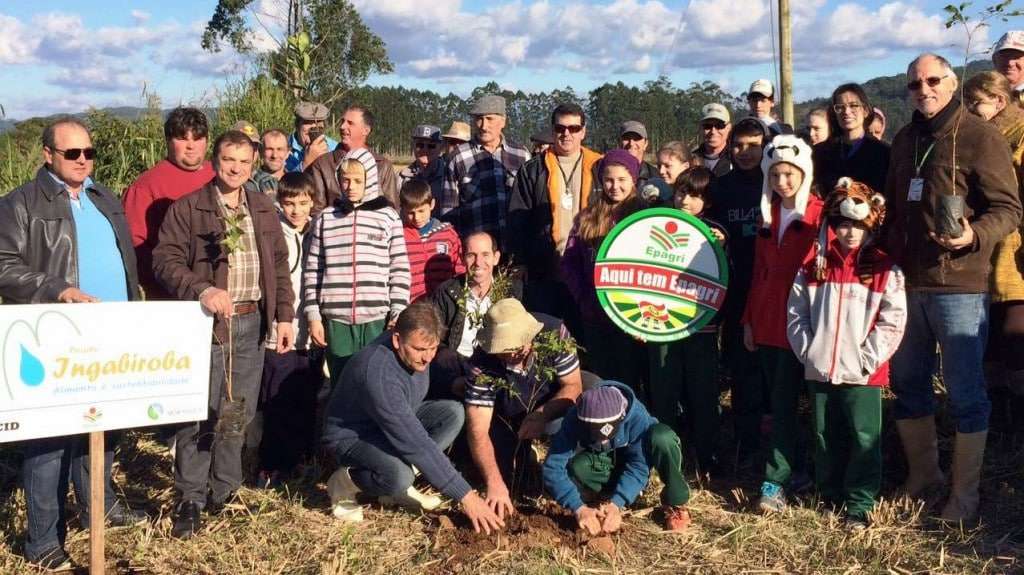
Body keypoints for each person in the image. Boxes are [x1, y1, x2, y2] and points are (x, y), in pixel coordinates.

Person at [0, 118, 145, 570]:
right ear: (48, 155)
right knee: (52, 441)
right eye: (72, 154)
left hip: (110, 336)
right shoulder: (19, 204)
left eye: (89, 153)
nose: (84, 161)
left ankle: (97, 507)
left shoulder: (105, 198)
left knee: (102, 427)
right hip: (58, 337)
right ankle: (42, 541)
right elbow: (3, 265)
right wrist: (56, 288)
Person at [886, 53, 1021, 523]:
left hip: (960, 285)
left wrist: (973, 235)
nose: (924, 89)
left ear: (952, 82)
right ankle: (924, 478)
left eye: (933, 80)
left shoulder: (981, 137)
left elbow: (1008, 208)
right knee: (907, 385)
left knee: (966, 392)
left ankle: (964, 496)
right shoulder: (904, 140)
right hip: (905, 284)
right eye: (914, 83)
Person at [152, 130, 295, 539]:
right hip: (207, 325)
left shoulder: (263, 208)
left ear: (253, 166)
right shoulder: (190, 208)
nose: (237, 168)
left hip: (251, 323)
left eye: (244, 162)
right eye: (229, 160)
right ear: (216, 161)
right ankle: (190, 497)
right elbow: (164, 259)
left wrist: (283, 316)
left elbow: (280, 267)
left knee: (237, 410)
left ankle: (225, 490)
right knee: (201, 411)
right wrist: (203, 289)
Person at [322, 301, 505, 534]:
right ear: (396, 339)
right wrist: (466, 496)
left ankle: (397, 486)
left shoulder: (417, 351)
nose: (427, 358)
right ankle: (344, 483)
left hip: (388, 425)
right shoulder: (379, 374)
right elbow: (415, 443)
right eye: (420, 350)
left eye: (433, 348)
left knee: (451, 414)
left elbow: (416, 405)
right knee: (398, 476)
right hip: (352, 437)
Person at [788, 178, 908, 530]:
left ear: (870, 224)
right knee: (825, 433)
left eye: (857, 225)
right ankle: (831, 495)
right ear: (831, 224)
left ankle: (859, 502)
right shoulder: (814, 267)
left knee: (863, 436)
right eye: (843, 224)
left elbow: (893, 320)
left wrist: (869, 359)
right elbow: (797, 313)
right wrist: (809, 352)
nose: (850, 231)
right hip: (820, 369)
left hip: (863, 374)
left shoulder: (886, 269)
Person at [743, 134, 824, 513]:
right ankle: (776, 480)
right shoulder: (767, 216)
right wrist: (748, 321)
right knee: (779, 404)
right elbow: (758, 273)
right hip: (770, 324)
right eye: (775, 175)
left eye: (789, 174)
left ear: (803, 172)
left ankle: (818, 475)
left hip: (811, 324)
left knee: (820, 409)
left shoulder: (821, 215)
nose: (783, 182)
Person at [463, 299, 583, 517]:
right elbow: (478, 430)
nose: (510, 355)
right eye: (502, 350)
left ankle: (571, 478)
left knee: (582, 410)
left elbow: (573, 385)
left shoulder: (555, 334)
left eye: (516, 347)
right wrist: (494, 482)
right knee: (499, 468)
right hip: (508, 412)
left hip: (554, 403)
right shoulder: (481, 365)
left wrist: (542, 414)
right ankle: (525, 460)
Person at [304, 149, 410, 386]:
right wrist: (313, 316)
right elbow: (312, 271)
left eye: (358, 180)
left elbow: (400, 269)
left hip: (377, 320)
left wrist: (398, 311)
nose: (351, 186)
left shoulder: (388, 218)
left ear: (371, 179)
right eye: (345, 179)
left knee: (375, 385)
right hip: (336, 320)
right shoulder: (326, 219)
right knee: (341, 386)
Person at [646, 166, 727, 474]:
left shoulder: (714, 232)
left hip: (701, 327)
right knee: (663, 393)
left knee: (703, 392)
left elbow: (723, 267)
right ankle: (665, 457)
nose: (686, 201)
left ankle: (708, 456)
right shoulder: (658, 224)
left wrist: (722, 243)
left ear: (706, 201)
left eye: (695, 196)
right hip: (661, 325)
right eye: (681, 193)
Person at [543, 382, 693, 533]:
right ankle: (605, 496)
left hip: (634, 461)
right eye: (597, 436)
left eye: (608, 436)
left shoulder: (636, 416)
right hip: (603, 462)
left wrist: (617, 504)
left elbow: (639, 465)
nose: (603, 441)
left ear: (622, 418)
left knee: (662, 438)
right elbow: (552, 467)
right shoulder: (575, 418)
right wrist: (578, 507)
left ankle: (676, 503)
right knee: (578, 467)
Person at [707, 118, 771, 469]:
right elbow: (709, 228)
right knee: (742, 368)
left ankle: (777, 440)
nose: (745, 153)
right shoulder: (721, 187)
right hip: (734, 290)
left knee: (773, 370)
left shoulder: (775, 183)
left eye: (753, 145)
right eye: (739, 146)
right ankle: (746, 444)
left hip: (772, 289)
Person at [255, 172, 321, 488]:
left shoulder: (318, 231)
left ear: (313, 202)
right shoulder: (272, 232)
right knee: (277, 398)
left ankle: (300, 460)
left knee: (305, 396)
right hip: (279, 332)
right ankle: (271, 464)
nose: (296, 210)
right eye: (289, 203)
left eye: (303, 203)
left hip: (310, 331)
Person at [508, 103, 602, 324]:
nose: (566, 133)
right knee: (546, 337)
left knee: (588, 336)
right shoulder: (533, 170)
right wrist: (519, 262)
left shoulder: (600, 167)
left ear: (584, 131)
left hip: (589, 271)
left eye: (574, 128)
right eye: (560, 128)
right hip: (546, 272)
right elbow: (517, 219)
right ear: (552, 131)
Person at [561, 149, 647, 392]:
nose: (615, 186)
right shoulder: (587, 218)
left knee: (631, 378)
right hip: (595, 314)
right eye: (609, 180)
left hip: (632, 318)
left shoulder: (645, 215)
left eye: (622, 180)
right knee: (602, 378)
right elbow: (569, 262)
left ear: (633, 180)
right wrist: (583, 297)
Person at [965, 71, 1024, 394]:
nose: (971, 109)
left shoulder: (1019, 135)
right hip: (982, 251)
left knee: (1015, 337)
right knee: (988, 343)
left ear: (999, 101)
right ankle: (996, 422)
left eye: (977, 102)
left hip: (1014, 253)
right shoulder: (979, 136)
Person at [123, 106, 214, 300]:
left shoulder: (218, 175)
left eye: (197, 138)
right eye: (182, 138)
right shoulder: (145, 186)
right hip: (174, 295)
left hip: (220, 293)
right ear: (167, 141)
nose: (191, 146)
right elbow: (135, 248)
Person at [442, 94, 531, 242]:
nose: (483, 126)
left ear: (503, 121)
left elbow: (530, 206)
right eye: (479, 119)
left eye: (490, 119)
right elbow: (449, 213)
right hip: (476, 254)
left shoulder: (522, 155)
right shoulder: (458, 157)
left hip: (515, 248)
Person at [305, 105, 400, 211]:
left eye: (350, 123)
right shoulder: (323, 164)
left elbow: (392, 208)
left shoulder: (383, 165)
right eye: (342, 122)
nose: (342, 127)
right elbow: (317, 210)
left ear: (366, 130)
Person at [812, 83, 891, 196]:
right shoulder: (820, 152)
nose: (846, 112)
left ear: (865, 111)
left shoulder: (883, 152)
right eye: (840, 107)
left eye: (853, 105)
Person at [400, 179, 465, 302]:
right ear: (402, 209)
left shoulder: (448, 235)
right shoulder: (399, 237)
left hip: (444, 304)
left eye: (421, 211)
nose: (417, 218)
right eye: (411, 213)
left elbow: (459, 268)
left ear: (432, 204)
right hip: (413, 306)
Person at [398, 124, 446, 211]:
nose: (425, 149)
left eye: (431, 146)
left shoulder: (450, 174)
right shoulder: (402, 178)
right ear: (413, 146)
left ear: (441, 148)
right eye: (420, 145)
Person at [286, 101, 338, 173]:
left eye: (318, 122)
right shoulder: (283, 147)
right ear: (297, 125)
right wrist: (305, 164)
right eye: (307, 122)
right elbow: (281, 181)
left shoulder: (334, 148)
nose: (314, 127)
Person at [232, 120, 278, 197]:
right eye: (244, 145)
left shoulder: (268, 181)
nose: (251, 151)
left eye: (255, 146)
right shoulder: (224, 179)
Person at [694, 103, 733, 177]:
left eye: (719, 126)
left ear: (729, 127)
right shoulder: (690, 161)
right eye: (707, 126)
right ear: (700, 128)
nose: (713, 131)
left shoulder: (738, 159)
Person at [619, 120, 658, 188]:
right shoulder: (607, 174)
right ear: (619, 142)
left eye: (637, 138)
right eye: (626, 138)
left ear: (646, 144)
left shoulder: (656, 176)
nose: (631, 143)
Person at [992, 31, 1024, 97]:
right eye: (1005, 56)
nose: (1010, 63)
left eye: (1017, 57)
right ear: (994, 60)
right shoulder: (980, 95)